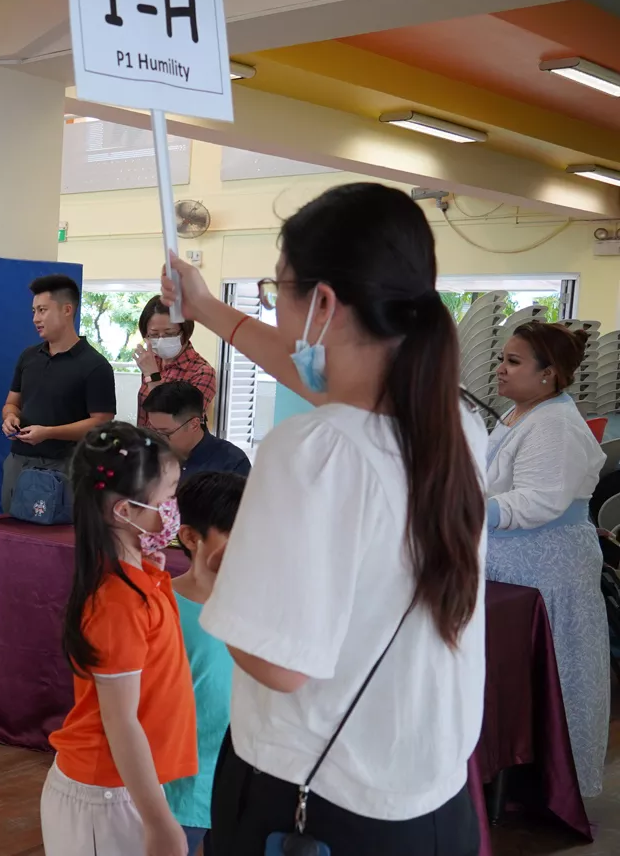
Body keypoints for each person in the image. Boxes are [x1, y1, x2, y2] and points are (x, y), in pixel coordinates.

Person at [166, 182, 485, 850]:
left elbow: (281, 664)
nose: (272, 307)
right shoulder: (454, 425)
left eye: (275, 289)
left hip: (312, 799)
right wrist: (204, 307)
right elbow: (320, 373)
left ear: (325, 303)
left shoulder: (314, 451)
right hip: (429, 796)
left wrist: (210, 579)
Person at [42, 422, 194, 853]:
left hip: (122, 789)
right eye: (167, 497)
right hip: (103, 797)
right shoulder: (117, 602)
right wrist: (159, 821)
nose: (173, 508)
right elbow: (121, 722)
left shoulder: (139, 578)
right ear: (124, 512)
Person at [485, 320, 608, 796]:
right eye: (501, 358)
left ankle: (546, 784)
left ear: (549, 374)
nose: (500, 370)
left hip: (547, 566)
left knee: (549, 671)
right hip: (515, 560)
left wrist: (468, 509)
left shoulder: (554, 423)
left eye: (513, 362)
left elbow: (538, 501)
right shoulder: (520, 413)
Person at [165, 470, 246, 853]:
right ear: (190, 538)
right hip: (181, 789)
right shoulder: (161, 606)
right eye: (235, 533)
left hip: (243, 784)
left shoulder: (263, 608)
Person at [1, 275, 117, 513]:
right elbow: (12, 403)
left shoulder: (95, 365)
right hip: (19, 462)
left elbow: (101, 422)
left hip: (66, 466)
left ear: (67, 310)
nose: (35, 318)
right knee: (12, 536)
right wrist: (9, 418)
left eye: (42, 310)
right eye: (33, 311)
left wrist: (49, 433)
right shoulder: (28, 357)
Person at [133, 295, 216, 427]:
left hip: (179, 447)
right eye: (153, 335)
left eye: (170, 333)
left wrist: (153, 377)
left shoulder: (202, 372)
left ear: (185, 332)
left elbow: (179, 423)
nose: (161, 340)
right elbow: (144, 414)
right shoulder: (153, 362)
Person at [142, 381, 251, 477]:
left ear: (194, 424)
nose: (158, 440)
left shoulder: (232, 464)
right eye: (154, 431)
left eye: (165, 433)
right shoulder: (150, 456)